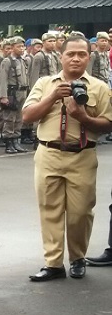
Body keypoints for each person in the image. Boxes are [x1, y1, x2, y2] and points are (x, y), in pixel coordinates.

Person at [23, 35, 112, 281]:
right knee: (49, 209)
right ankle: (53, 264)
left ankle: (77, 258)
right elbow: (27, 116)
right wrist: (52, 97)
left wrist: (83, 117)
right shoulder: (44, 83)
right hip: (48, 153)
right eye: (70, 54)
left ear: (88, 57)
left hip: (82, 156)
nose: (75, 58)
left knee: (80, 212)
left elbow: (108, 124)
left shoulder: (100, 87)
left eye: (81, 54)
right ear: (61, 57)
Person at [0, 36, 29, 154]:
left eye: (23, 46)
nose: (21, 49)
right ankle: (9, 142)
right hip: (12, 93)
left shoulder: (23, 60)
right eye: (19, 46)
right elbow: (3, 79)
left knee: (19, 119)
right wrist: (3, 96)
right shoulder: (7, 61)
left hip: (22, 92)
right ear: (12, 48)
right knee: (10, 119)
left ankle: (16, 141)